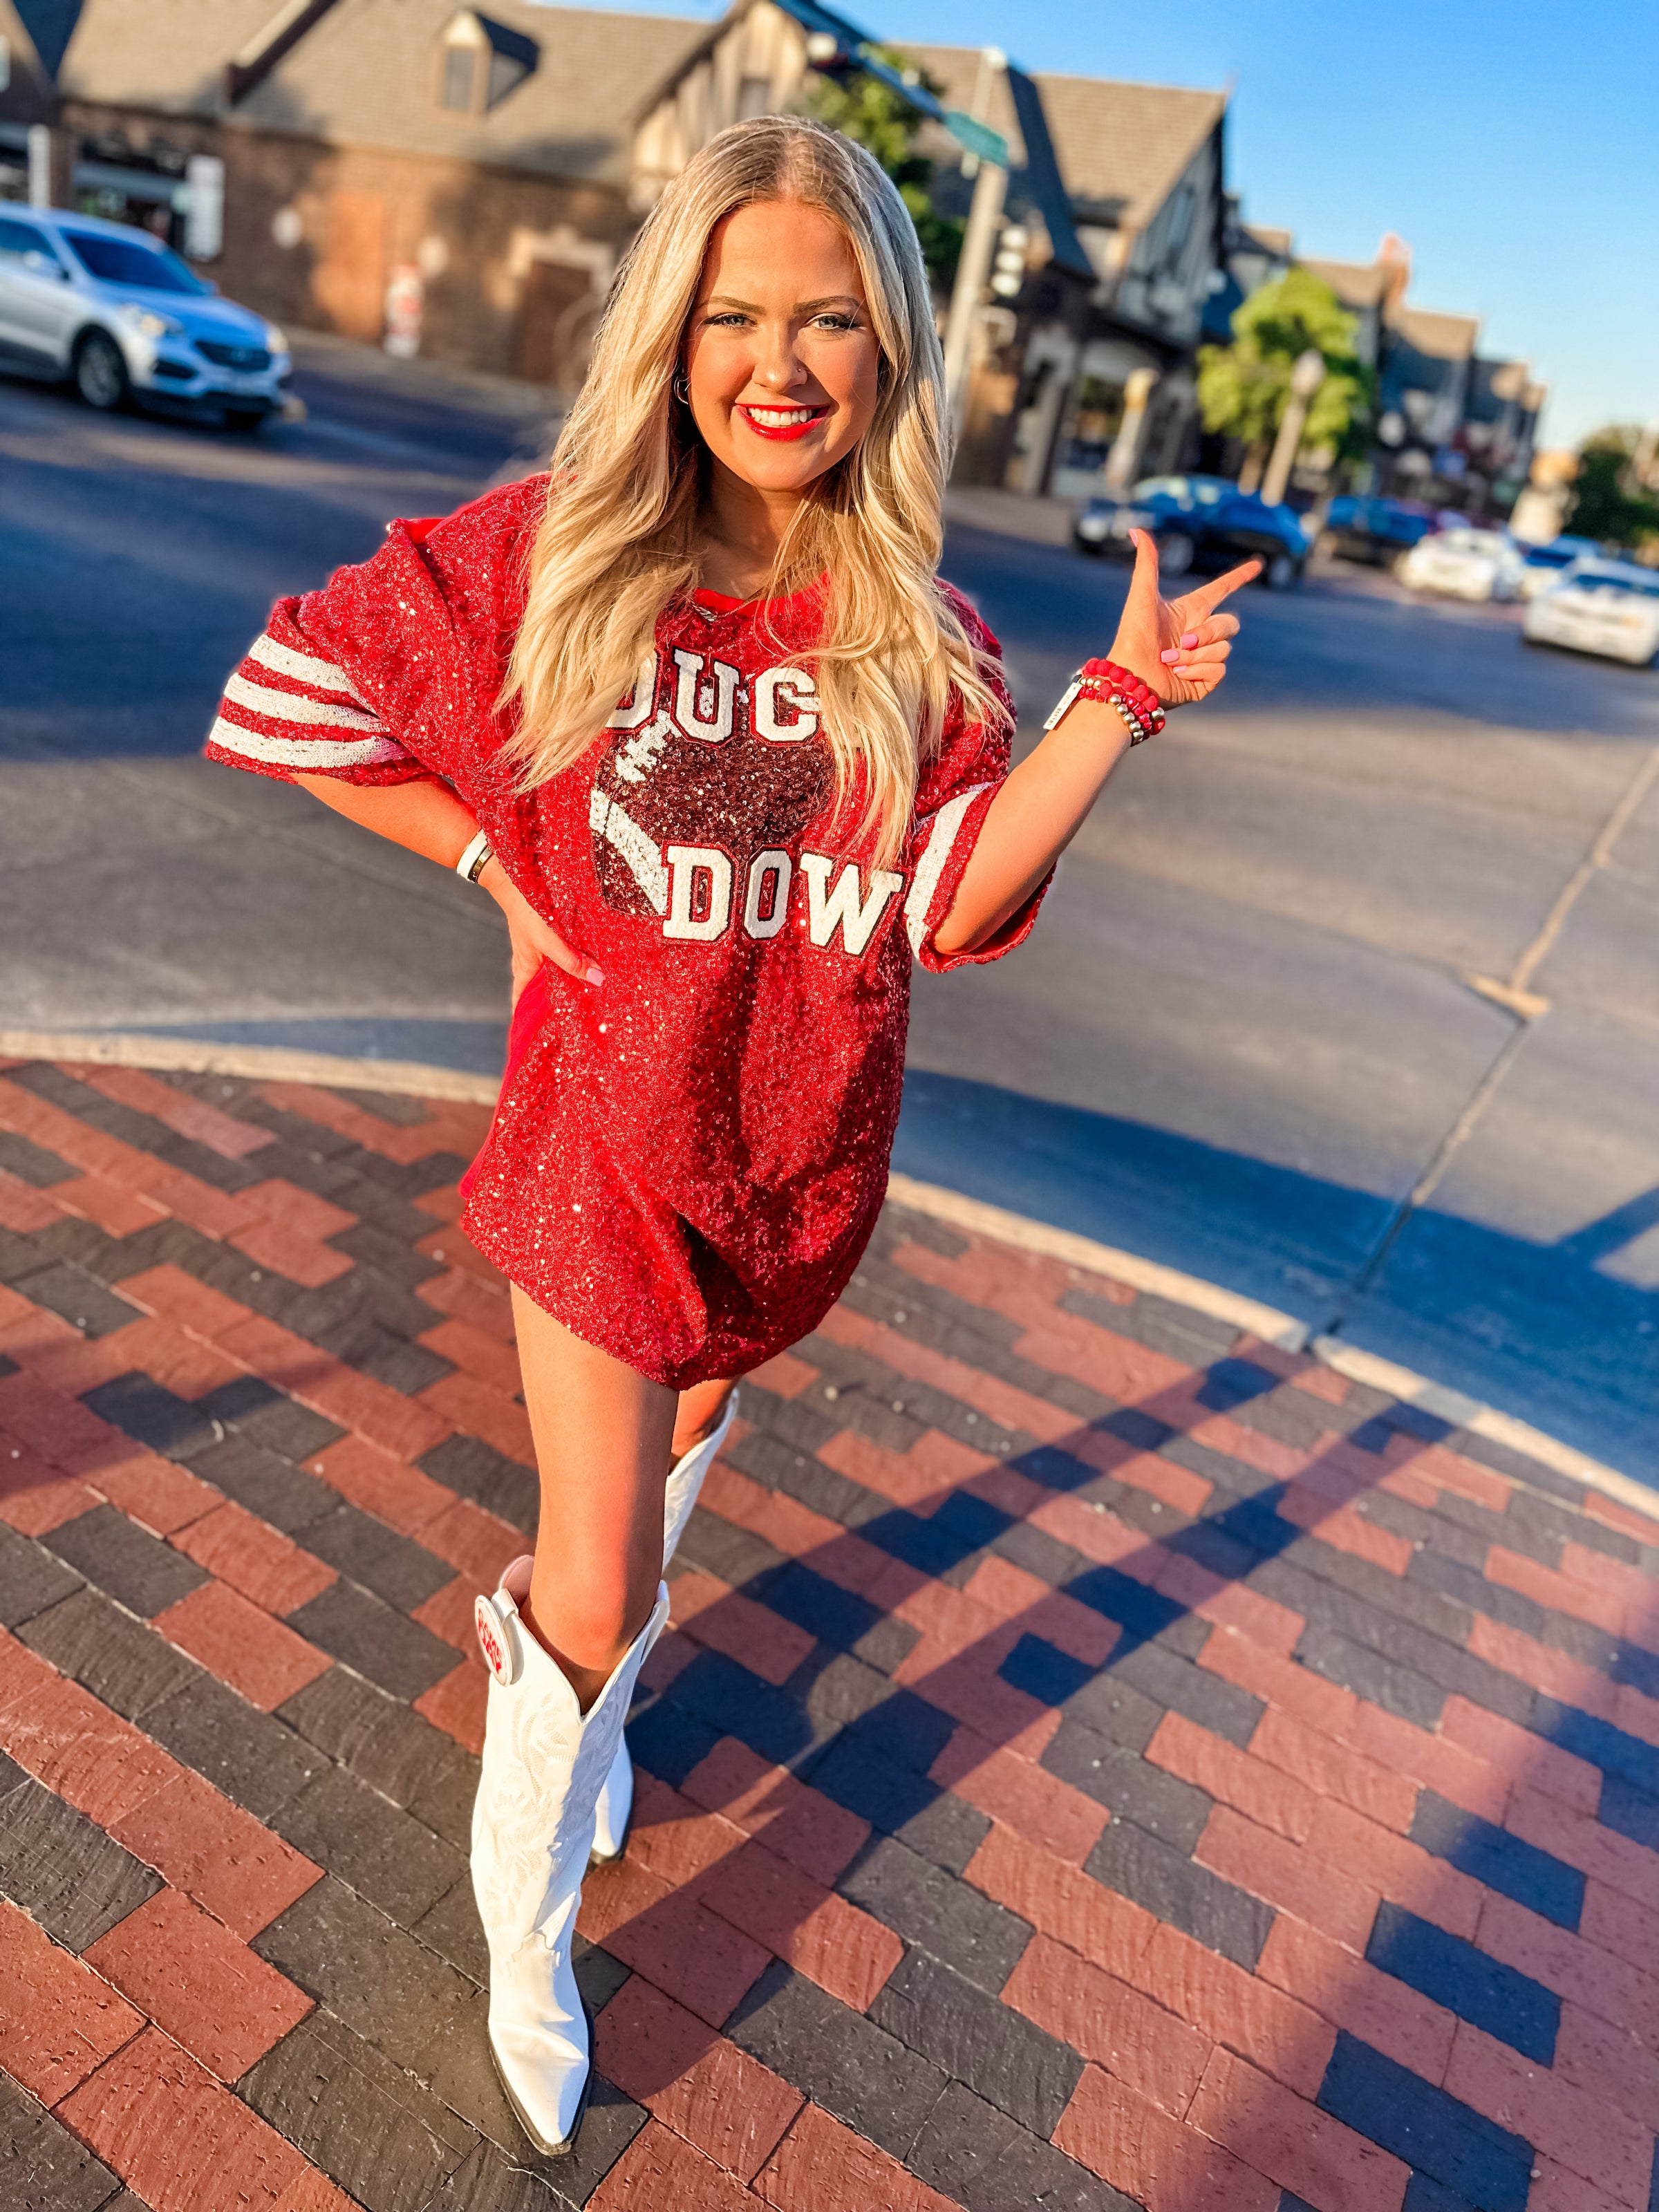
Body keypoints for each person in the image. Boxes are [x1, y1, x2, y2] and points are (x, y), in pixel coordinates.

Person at [203, 114, 1255, 2155]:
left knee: (688, 1453)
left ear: (890, 354)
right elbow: (293, 691)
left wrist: (1116, 704)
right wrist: (494, 879)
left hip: (789, 1173)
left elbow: (950, 901)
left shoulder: (917, 639)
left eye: (831, 321)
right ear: (676, 338)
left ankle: (578, 1730)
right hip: (596, 1146)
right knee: (591, 1577)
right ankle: (530, 1922)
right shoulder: (565, 549)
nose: (779, 364)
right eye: (734, 316)